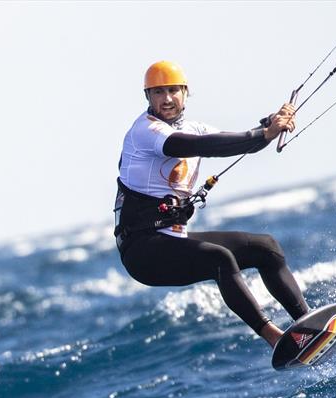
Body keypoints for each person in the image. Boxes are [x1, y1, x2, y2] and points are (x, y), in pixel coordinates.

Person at [114, 60, 309, 348]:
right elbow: (195, 146)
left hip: (171, 240)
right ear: (148, 98)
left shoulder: (195, 128)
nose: (166, 99)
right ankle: (276, 339)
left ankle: (307, 325)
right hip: (142, 252)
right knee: (220, 259)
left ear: (185, 93)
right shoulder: (145, 131)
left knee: (267, 249)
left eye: (172, 90)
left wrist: (269, 126)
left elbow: (230, 141)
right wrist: (262, 134)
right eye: (157, 92)